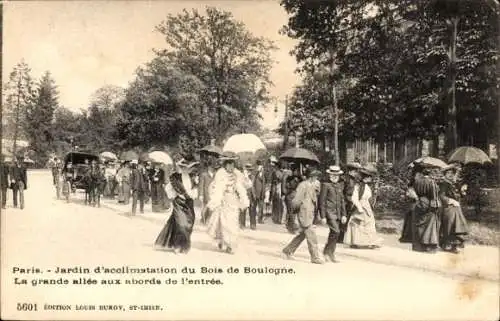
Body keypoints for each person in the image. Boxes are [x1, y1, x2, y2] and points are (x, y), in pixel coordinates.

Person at [206, 151, 249, 254]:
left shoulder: (237, 173)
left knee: (233, 223)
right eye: (229, 164)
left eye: (232, 164)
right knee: (224, 223)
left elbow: (245, 186)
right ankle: (224, 241)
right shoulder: (220, 173)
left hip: (233, 200)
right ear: (225, 164)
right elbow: (214, 187)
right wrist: (223, 189)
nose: (231, 166)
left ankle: (230, 244)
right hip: (224, 200)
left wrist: (245, 176)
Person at [154, 159, 199, 254]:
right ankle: (177, 246)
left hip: (189, 204)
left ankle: (184, 246)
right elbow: (168, 188)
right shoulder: (175, 177)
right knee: (181, 225)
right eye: (183, 167)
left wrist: (193, 194)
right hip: (179, 203)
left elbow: (195, 190)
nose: (186, 169)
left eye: (188, 167)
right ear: (181, 168)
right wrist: (175, 195)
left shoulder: (193, 177)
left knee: (189, 225)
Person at [282, 168, 324, 264]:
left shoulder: (313, 185)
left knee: (302, 235)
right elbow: (296, 201)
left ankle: (288, 250)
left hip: (310, 214)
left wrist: (316, 191)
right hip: (304, 214)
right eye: (315, 176)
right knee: (312, 236)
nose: (317, 178)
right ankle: (315, 257)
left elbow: (315, 199)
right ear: (311, 177)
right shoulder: (302, 185)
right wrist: (296, 213)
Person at [343, 164, 382, 249]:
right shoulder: (359, 186)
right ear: (366, 178)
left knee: (370, 224)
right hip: (360, 206)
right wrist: (359, 208)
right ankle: (356, 242)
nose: (370, 179)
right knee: (358, 224)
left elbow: (369, 197)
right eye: (369, 177)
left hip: (367, 206)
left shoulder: (367, 187)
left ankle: (370, 241)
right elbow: (354, 198)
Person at [439, 164, 469, 253]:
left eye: (452, 173)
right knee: (450, 225)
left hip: (456, 208)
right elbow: (441, 196)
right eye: (448, 173)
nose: (450, 175)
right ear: (445, 175)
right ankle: (447, 245)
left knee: (457, 225)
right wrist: (451, 201)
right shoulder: (443, 184)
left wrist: (462, 192)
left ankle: (454, 245)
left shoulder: (453, 184)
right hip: (448, 208)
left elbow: (457, 196)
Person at [319, 165, 347, 263]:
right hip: (329, 213)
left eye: (337, 175)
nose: (335, 177)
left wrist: (344, 214)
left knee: (334, 233)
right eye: (333, 175)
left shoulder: (339, 186)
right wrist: (323, 216)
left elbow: (342, 201)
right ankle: (327, 252)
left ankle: (330, 253)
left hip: (338, 213)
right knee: (336, 232)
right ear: (329, 175)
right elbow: (321, 202)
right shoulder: (325, 185)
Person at [411, 167, 442, 253]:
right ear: (430, 174)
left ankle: (418, 246)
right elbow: (434, 196)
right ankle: (428, 246)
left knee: (419, 224)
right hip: (428, 204)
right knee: (430, 224)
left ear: (422, 174)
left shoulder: (417, 181)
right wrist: (435, 207)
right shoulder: (431, 182)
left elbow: (413, 193)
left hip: (419, 203)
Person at [338, 162, 362, 243]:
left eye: (356, 172)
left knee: (348, 219)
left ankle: (343, 236)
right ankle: (339, 237)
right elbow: (341, 191)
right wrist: (345, 200)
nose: (356, 173)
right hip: (345, 201)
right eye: (355, 171)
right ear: (350, 171)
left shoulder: (355, 180)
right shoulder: (344, 179)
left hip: (351, 201)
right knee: (343, 218)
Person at [399, 164, 423, 243]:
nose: (419, 176)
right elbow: (409, 192)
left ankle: (415, 236)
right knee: (411, 218)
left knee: (416, 219)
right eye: (418, 175)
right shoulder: (412, 182)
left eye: (420, 175)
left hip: (418, 201)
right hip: (413, 202)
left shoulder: (421, 182)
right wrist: (415, 197)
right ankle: (409, 237)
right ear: (415, 175)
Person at [199, 156, 218, 224]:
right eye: (211, 167)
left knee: (212, 206)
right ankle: (203, 219)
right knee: (205, 206)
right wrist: (201, 195)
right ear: (208, 167)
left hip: (213, 193)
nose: (212, 168)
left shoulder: (216, 175)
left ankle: (209, 220)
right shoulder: (204, 174)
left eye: (213, 167)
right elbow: (201, 185)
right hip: (205, 193)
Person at [283, 164, 301, 233]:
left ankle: (290, 226)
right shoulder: (289, 178)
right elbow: (286, 188)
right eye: (297, 170)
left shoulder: (297, 178)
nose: (297, 172)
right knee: (291, 211)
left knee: (292, 212)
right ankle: (291, 228)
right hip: (290, 196)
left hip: (294, 196)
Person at [250, 160, 266, 229]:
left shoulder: (263, 173)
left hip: (262, 193)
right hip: (255, 193)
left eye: (261, 165)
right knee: (253, 208)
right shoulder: (254, 172)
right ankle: (253, 224)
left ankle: (260, 219)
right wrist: (254, 193)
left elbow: (264, 183)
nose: (261, 167)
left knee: (261, 206)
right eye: (259, 165)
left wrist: (264, 192)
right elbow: (252, 184)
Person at [270, 159, 285, 224]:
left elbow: (273, 182)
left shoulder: (275, 172)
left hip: (276, 189)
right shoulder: (282, 173)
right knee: (279, 204)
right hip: (280, 189)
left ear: (277, 166)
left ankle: (276, 218)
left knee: (276, 204)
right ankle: (279, 218)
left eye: (275, 166)